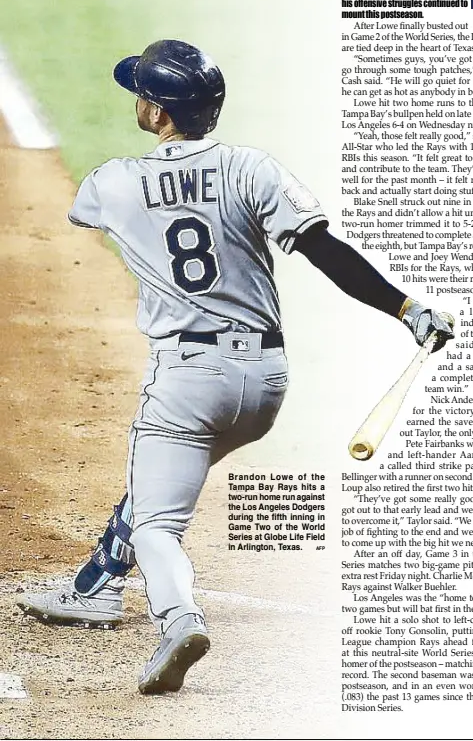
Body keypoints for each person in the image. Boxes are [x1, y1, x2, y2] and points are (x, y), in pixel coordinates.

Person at [18, 39, 454, 694]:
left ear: (161, 114)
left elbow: (88, 217)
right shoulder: (252, 169)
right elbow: (324, 252)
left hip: (189, 379)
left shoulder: (110, 182)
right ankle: (93, 584)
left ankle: (177, 619)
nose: (136, 100)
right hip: (266, 385)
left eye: (144, 93)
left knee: (162, 522)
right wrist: (406, 307)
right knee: (158, 483)